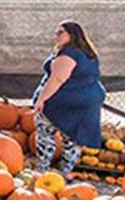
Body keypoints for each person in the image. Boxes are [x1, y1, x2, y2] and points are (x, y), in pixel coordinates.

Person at [32, 20, 106, 174]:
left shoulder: (69, 55)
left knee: (46, 132)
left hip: (64, 101)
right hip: (87, 101)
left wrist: (41, 100)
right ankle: (65, 171)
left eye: (60, 32)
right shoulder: (88, 54)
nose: (56, 36)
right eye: (56, 33)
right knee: (73, 137)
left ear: (72, 35)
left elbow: (57, 80)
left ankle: (42, 169)